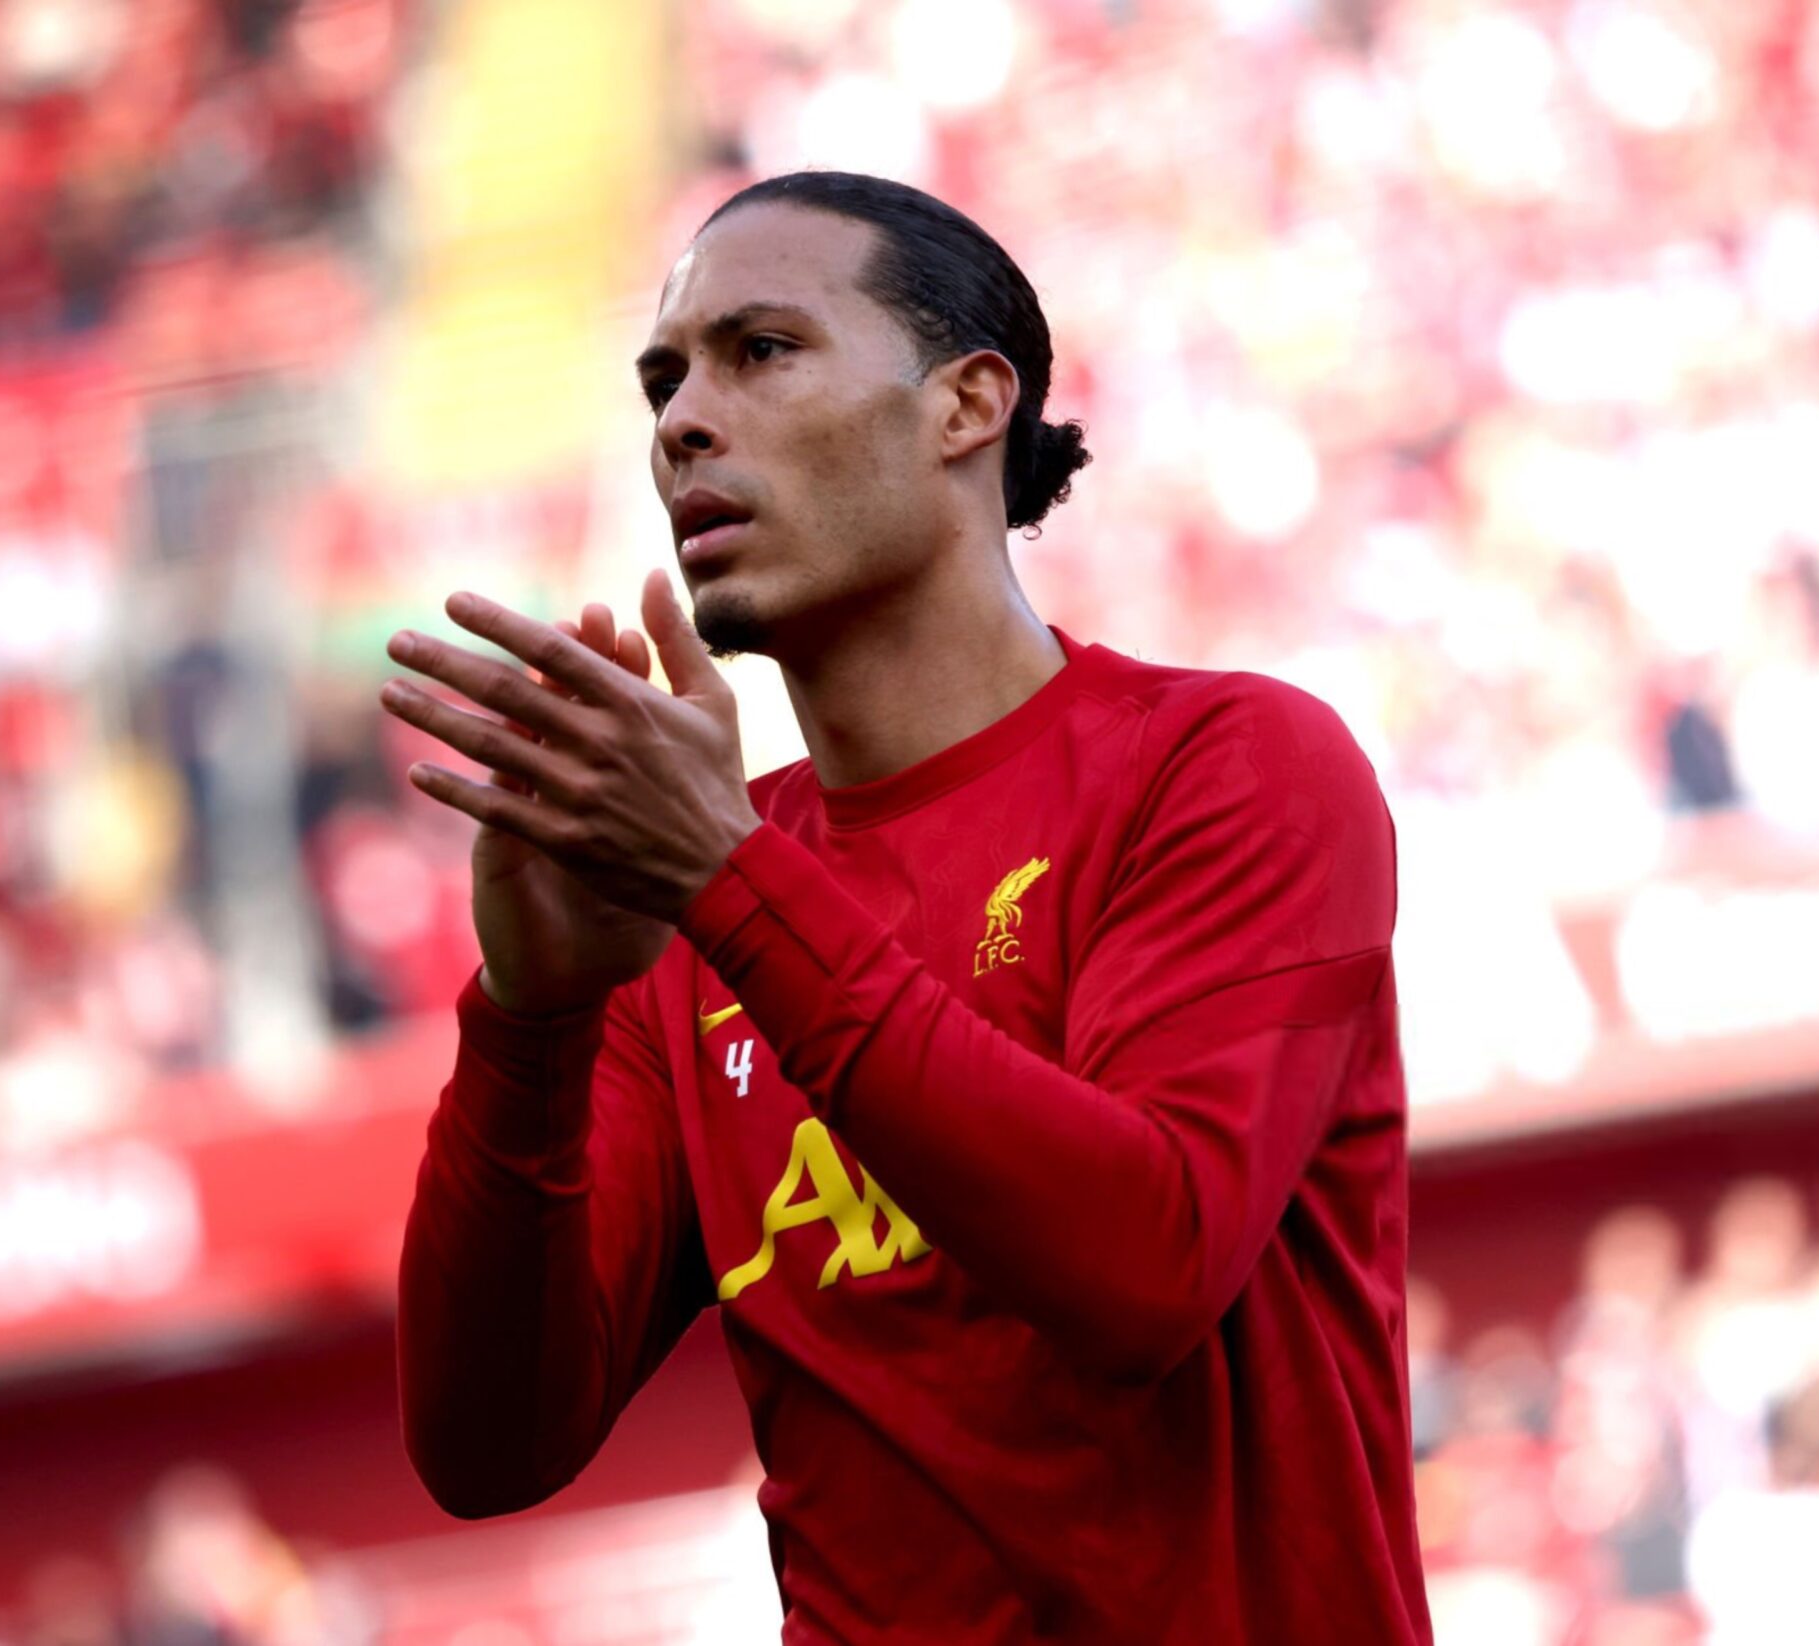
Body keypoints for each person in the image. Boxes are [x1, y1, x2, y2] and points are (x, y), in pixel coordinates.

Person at [381, 170, 1427, 1643]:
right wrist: (530, 1024)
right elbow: (487, 1446)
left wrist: (729, 880)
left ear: (967, 406)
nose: (682, 423)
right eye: (665, 383)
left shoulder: (1230, 766)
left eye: (762, 351)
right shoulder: (684, 915)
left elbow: (1146, 1265)